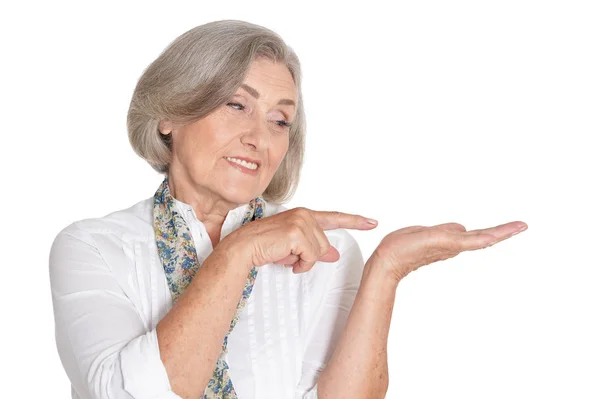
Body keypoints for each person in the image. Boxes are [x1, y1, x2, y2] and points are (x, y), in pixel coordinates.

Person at [49, 20, 528, 399]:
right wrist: (242, 251)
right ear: (171, 113)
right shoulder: (91, 248)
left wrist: (386, 271)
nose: (259, 137)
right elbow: (130, 395)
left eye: (280, 119)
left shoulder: (325, 251)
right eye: (237, 105)